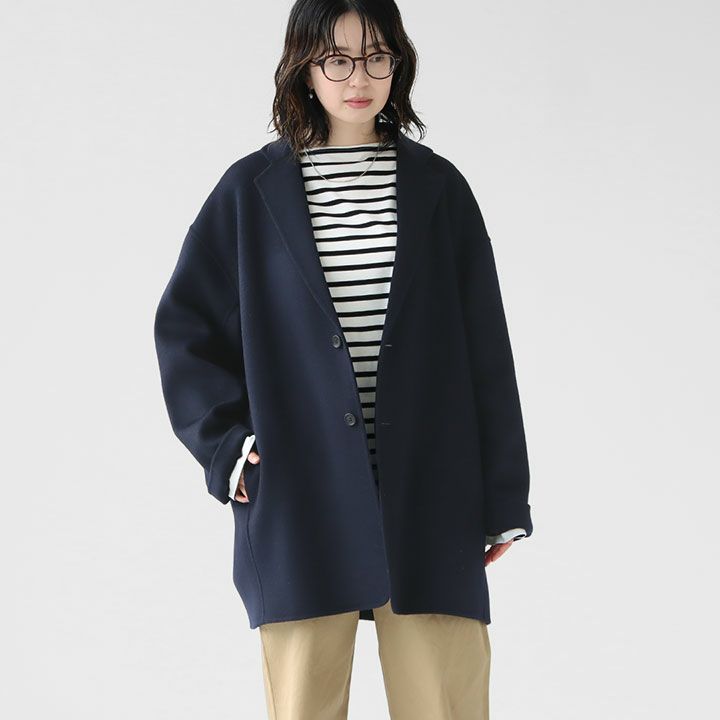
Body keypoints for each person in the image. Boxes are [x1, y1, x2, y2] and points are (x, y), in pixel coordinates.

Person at [154, 1, 533, 717]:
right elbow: (185, 327)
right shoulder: (249, 193)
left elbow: (486, 346)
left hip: (430, 492)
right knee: (304, 704)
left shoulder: (439, 189)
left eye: (376, 56)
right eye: (337, 58)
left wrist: (503, 496)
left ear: (398, 64)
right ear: (304, 67)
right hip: (300, 492)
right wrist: (228, 448)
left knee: (445, 703)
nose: (358, 77)